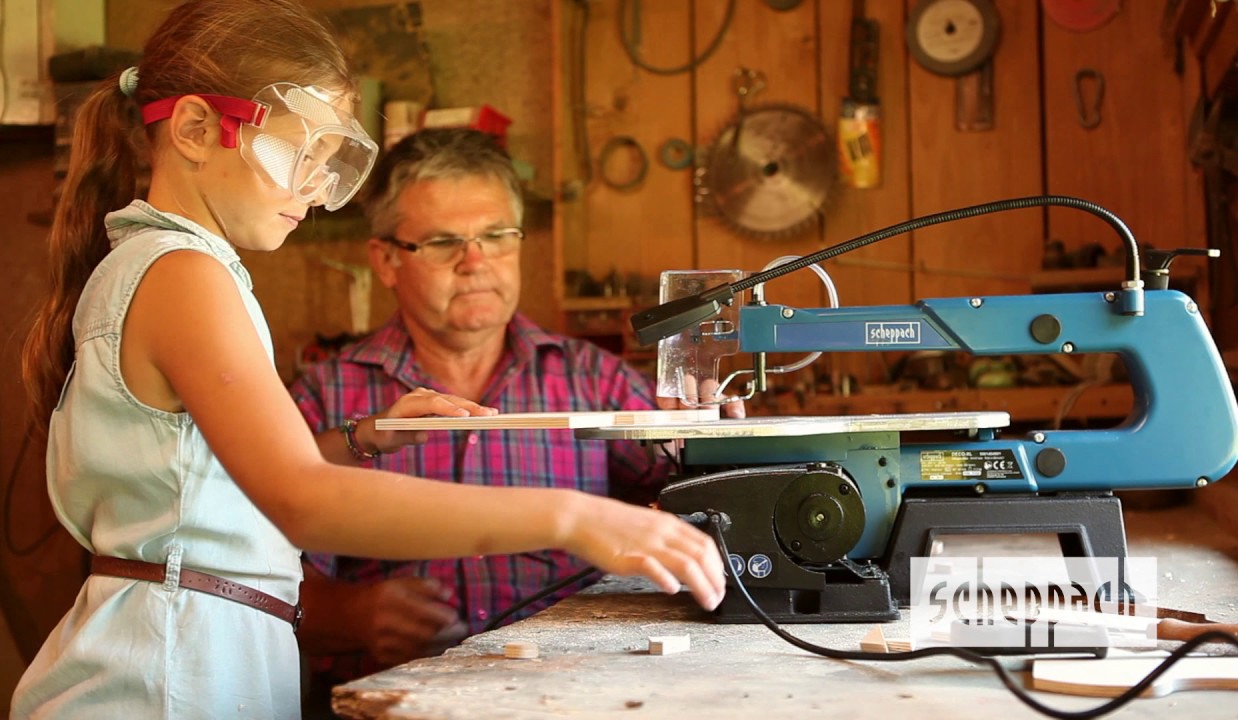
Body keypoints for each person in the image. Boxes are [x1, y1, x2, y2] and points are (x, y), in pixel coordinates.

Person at [12, 1, 723, 718]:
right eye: (300, 158)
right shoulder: (185, 273)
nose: (317, 195)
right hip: (167, 669)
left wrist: (361, 438)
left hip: (196, 649)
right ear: (197, 129)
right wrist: (575, 519)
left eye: (328, 168)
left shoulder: (177, 267)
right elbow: (302, 501)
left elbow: (200, 478)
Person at [289, 128, 743, 696]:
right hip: (392, 701)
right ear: (385, 260)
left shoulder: (591, 378)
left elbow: (698, 499)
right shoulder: (328, 398)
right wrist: (351, 614)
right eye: (442, 241)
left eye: (496, 235)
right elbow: (254, 576)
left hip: (572, 695)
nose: (475, 261)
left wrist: (714, 436)